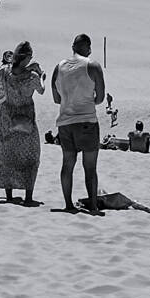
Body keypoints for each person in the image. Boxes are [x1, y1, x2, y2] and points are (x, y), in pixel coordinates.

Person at [51, 33, 106, 214]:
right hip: (86, 121)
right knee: (90, 168)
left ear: (73, 47)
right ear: (88, 47)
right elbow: (100, 98)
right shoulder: (93, 66)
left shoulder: (58, 67)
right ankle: (93, 206)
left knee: (68, 164)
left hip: (65, 122)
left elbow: (56, 99)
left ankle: (68, 205)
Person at [0, 40, 47, 205]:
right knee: (31, 156)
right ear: (27, 57)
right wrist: (41, 75)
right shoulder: (32, 77)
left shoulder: (5, 71)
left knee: (8, 155)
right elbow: (41, 90)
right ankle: (28, 197)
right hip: (25, 117)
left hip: (6, 117)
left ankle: (9, 196)